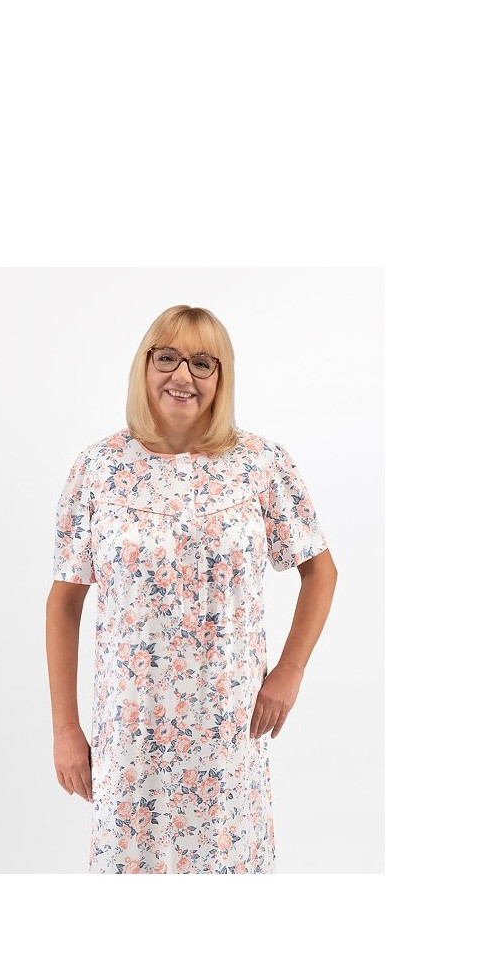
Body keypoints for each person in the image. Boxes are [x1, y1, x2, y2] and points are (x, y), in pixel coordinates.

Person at [45, 305, 338, 873]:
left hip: (228, 731)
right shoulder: (98, 469)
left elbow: (320, 570)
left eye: (203, 363)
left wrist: (289, 671)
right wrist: (65, 729)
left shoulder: (261, 464)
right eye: (168, 358)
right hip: (131, 735)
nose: (183, 376)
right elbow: (64, 603)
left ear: (222, 377)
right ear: (145, 365)